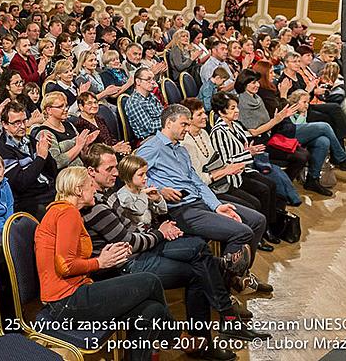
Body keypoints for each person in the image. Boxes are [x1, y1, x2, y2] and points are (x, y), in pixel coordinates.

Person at [81, 146, 261, 355]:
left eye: (115, 167)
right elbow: (128, 242)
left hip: (143, 246)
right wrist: (160, 233)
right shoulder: (93, 204)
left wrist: (157, 229)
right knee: (199, 270)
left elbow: (132, 229)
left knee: (199, 250)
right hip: (128, 263)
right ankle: (220, 322)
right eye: (109, 169)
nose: (115, 173)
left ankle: (222, 319)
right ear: (91, 171)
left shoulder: (105, 193)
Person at [34, 165, 177, 361]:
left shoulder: (63, 212)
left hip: (73, 294)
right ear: (78, 190)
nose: (95, 189)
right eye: (90, 185)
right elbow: (65, 266)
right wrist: (100, 263)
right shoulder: (67, 213)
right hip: (66, 302)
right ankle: (175, 337)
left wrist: (108, 256)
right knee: (150, 281)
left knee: (153, 311)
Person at [136, 105, 270, 292]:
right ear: (168, 122)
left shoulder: (181, 150)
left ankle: (240, 275)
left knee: (257, 220)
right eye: (183, 124)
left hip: (200, 202)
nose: (187, 128)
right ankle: (224, 290)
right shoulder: (151, 148)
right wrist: (159, 190)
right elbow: (131, 176)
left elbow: (197, 182)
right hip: (181, 210)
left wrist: (216, 206)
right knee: (242, 232)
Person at [123, 68, 164, 141]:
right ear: (138, 81)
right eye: (148, 79)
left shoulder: (152, 96)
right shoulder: (134, 102)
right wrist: (169, 122)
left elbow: (162, 114)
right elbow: (150, 127)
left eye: (153, 79)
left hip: (161, 132)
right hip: (149, 139)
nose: (153, 83)